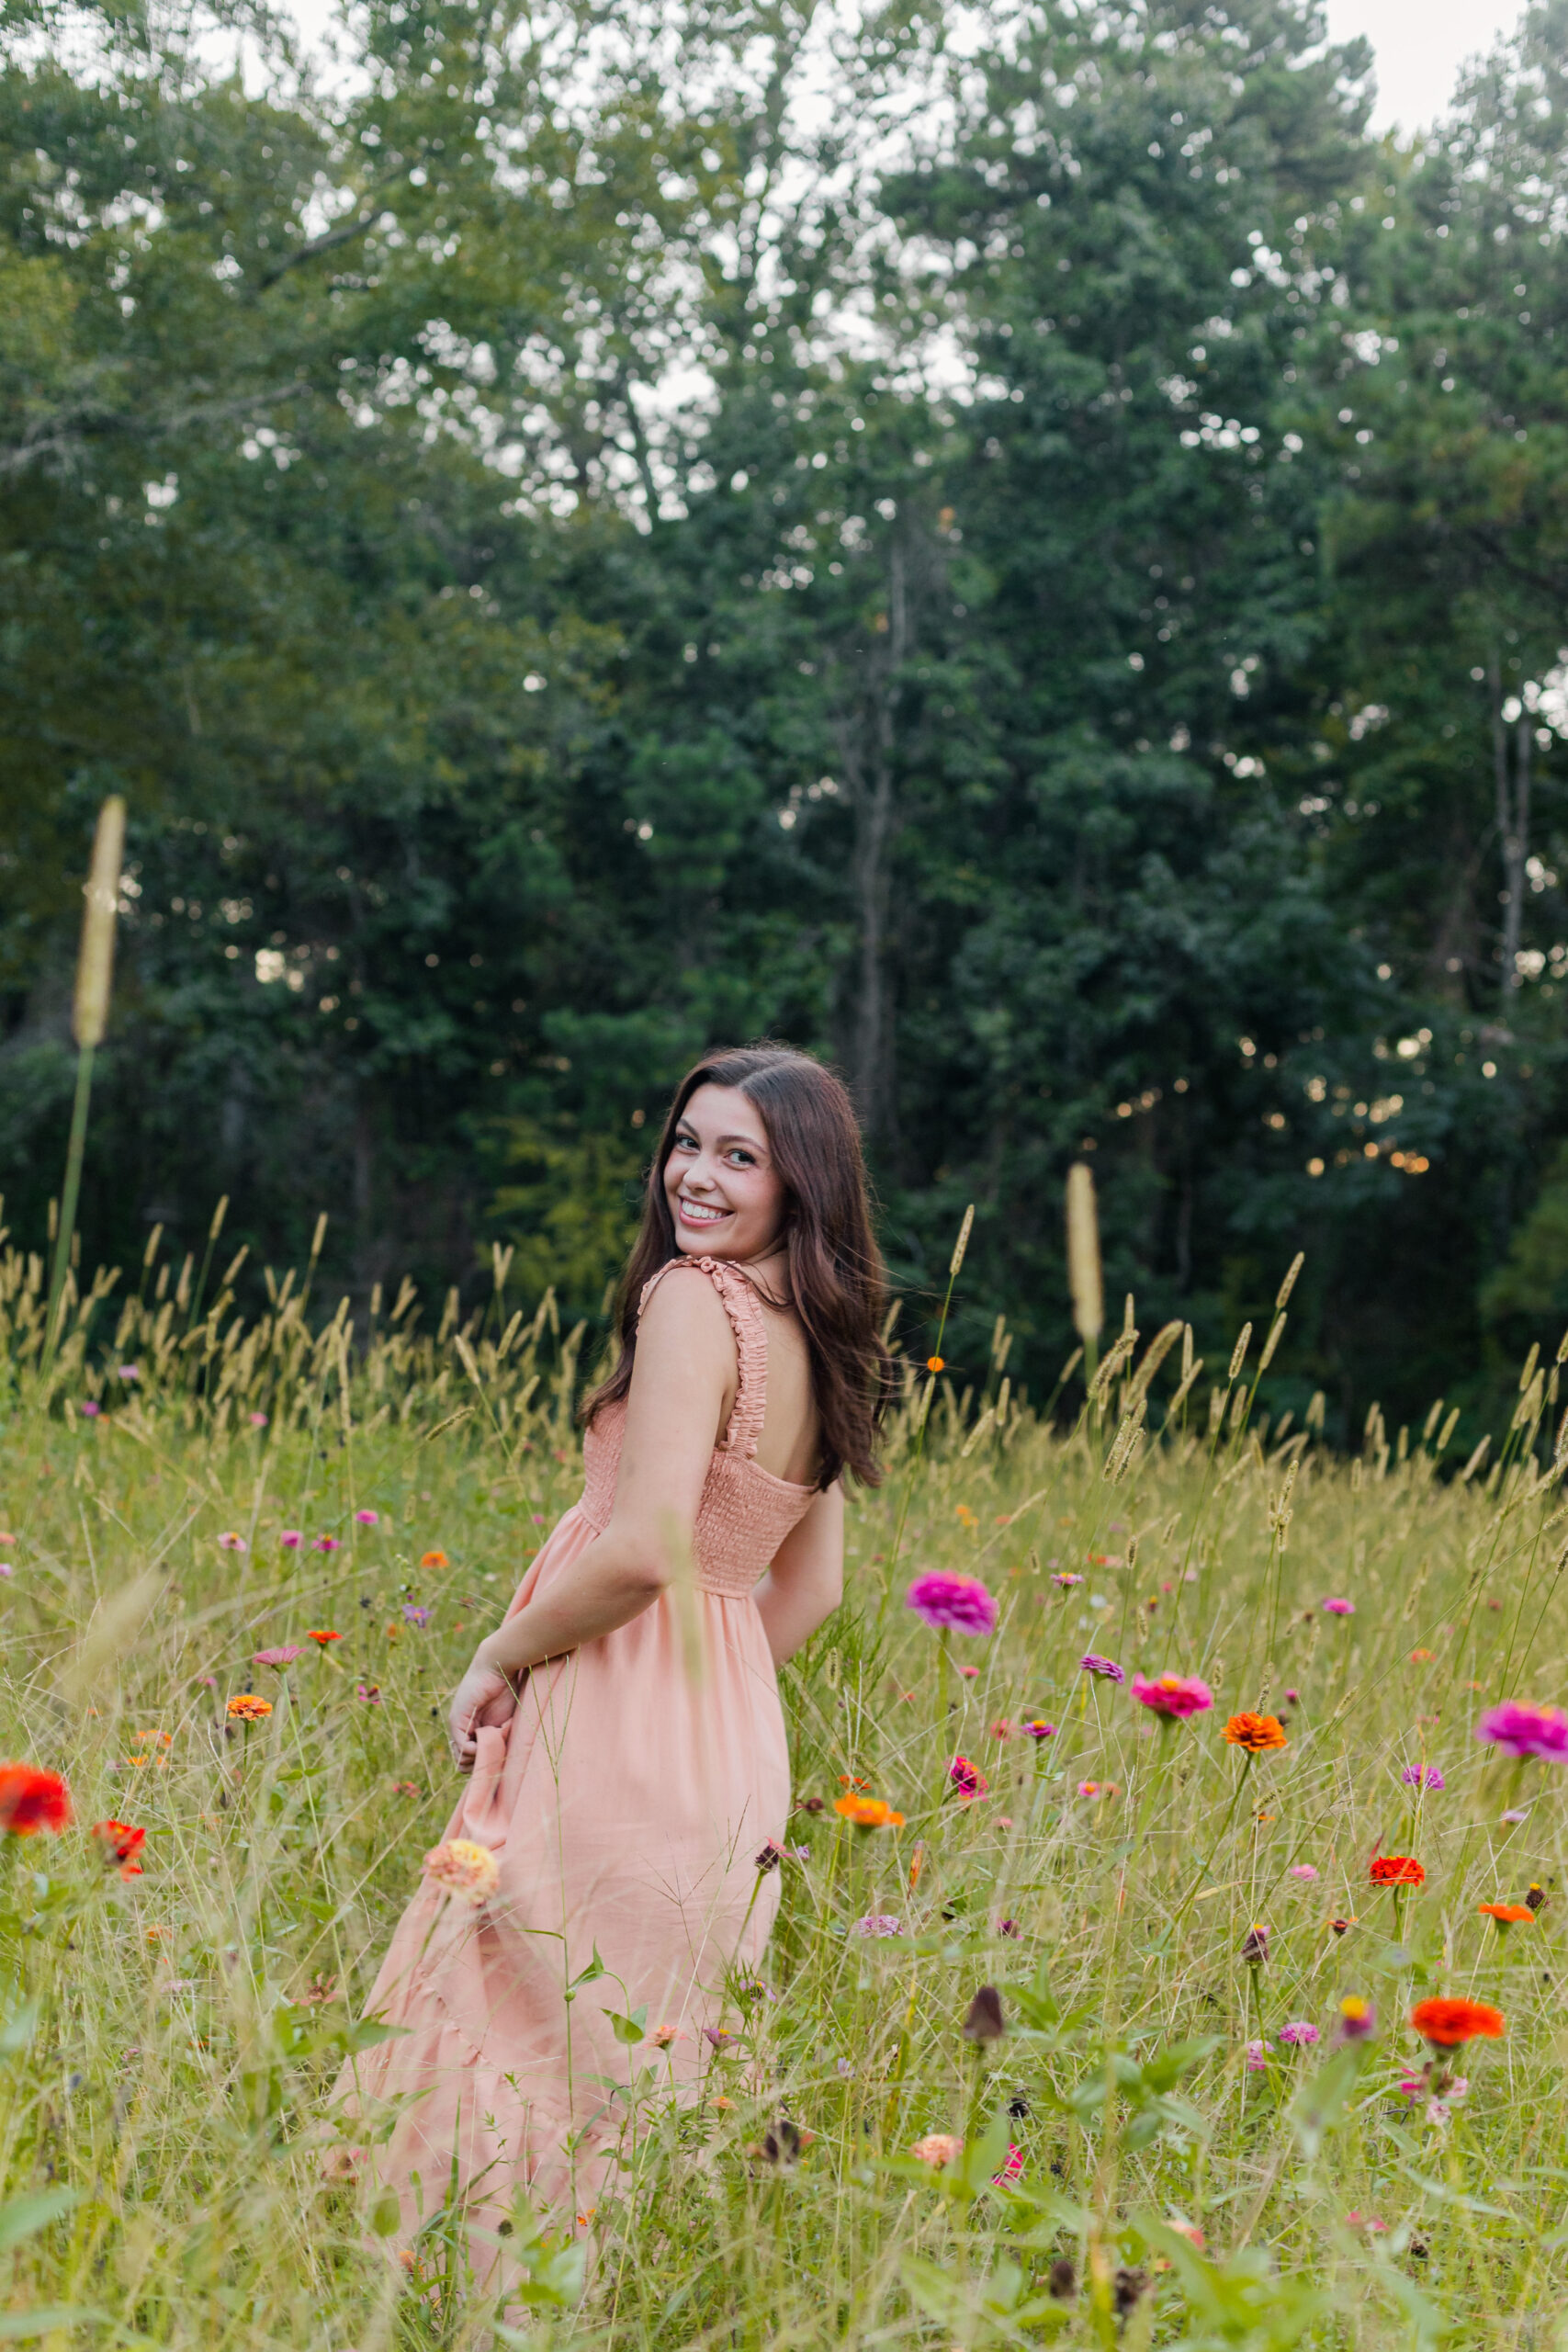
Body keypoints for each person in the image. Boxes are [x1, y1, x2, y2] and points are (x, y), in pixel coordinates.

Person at [332, 1043, 892, 2277]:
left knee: (525, 2025)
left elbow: (643, 1549)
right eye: (686, 1143)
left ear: (801, 1184)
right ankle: (584, 2300)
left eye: (739, 1156)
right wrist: (705, 1701)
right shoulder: (825, 1329)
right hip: (730, 1742)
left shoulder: (696, 1301)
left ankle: (484, 2308)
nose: (695, 1176)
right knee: (637, 2051)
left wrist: (503, 1651)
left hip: (617, 1711)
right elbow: (811, 1584)